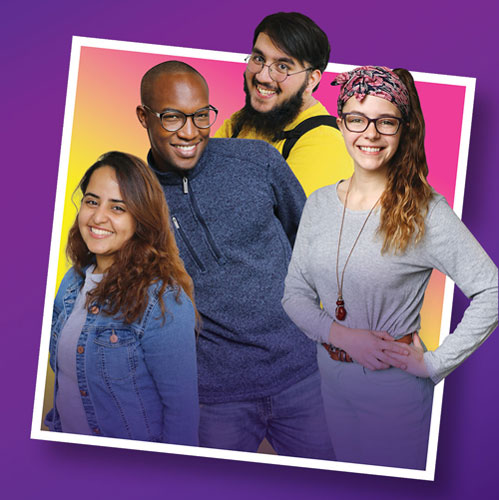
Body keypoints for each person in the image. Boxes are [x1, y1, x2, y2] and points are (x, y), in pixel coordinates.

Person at [282, 66, 498, 469]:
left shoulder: (425, 212)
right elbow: (293, 295)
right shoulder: (318, 204)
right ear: (341, 121)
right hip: (329, 380)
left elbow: (492, 290)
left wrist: (434, 364)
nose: (370, 134)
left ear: (403, 129)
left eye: (386, 121)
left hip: (393, 392)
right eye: (357, 119)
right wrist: (344, 337)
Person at [136, 60, 335, 459]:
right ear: (144, 116)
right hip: (213, 397)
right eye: (172, 117)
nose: (189, 132)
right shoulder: (134, 198)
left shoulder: (258, 161)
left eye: (200, 116)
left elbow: (311, 244)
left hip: (303, 375)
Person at [45, 151, 199, 446]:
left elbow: (182, 417)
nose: (98, 217)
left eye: (118, 208)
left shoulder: (164, 300)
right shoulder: (71, 283)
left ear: (141, 218)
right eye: (92, 201)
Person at [215, 11, 353, 196]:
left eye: (283, 67)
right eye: (259, 59)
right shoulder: (240, 122)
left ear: (311, 80)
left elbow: (278, 221)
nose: (262, 76)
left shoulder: (325, 143)